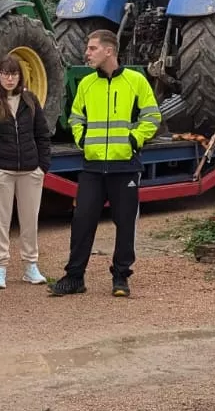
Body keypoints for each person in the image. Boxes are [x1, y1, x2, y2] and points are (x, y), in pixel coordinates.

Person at [50, 29, 161, 299]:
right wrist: (84, 140)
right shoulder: (87, 84)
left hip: (125, 166)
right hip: (93, 167)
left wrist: (134, 141)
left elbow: (152, 117)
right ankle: (74, 277)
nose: (86, 53)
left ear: (109, 51)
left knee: (125, 223)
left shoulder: (136, 81)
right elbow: (75, 118)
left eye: (92, 48)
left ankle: (121, 276)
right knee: (82, 221)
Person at [0, 54, 52, 289]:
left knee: (30, 221)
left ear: (20, 76)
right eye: (4, 73)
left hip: (30, 170)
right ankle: (0, 268)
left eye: (13, 73)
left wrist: (42, 167)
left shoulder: (30, 100)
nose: (9, 78)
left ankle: (31, 266)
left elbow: (42, 134)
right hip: (1, 170)